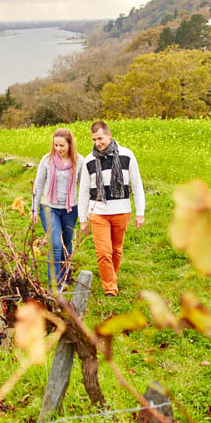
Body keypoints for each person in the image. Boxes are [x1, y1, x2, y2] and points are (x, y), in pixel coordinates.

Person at [78, 120, 144, 297]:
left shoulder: (127, 155)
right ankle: (110, 288)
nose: (97, 143)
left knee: (116, 250)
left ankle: (111, 277)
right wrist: (82, 218)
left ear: (109, 135)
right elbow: (83, 191)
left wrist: (140, 213)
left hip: (121, 210)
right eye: (93, 139)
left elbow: (137, 185)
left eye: (99, 138)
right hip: (98, 213)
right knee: (103, 252)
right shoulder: (89, 160)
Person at [31, 127, 87, 291]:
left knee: (66, 244)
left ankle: (66, 276)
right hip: (49, 208)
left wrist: (85, 212)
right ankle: (54, 285)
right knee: (55, 244)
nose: (58, 149)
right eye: (55, 145)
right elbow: (39, 184)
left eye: (62, 146)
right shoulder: (46, 160)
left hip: (70, 209)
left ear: (70, 144)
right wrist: (34, 209)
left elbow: (83, 187)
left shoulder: (79, 161)